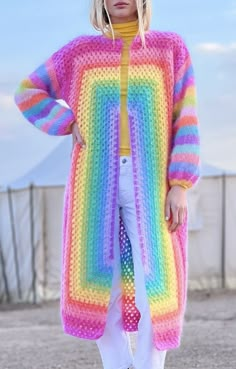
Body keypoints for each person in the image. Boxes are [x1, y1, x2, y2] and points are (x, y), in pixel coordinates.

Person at [14, 0, 201, 368]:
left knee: (157, 286)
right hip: (93, 182)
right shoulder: (81, 52)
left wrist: (179, 183)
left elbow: (186, 117)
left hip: (152, 185)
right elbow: (27, 91)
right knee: (100, 286)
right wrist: (66, 121)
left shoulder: (170, 49)